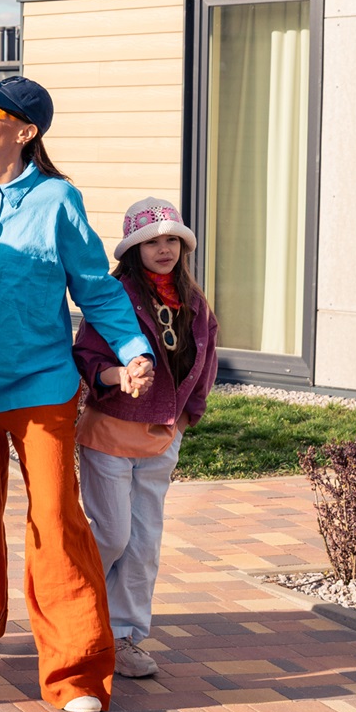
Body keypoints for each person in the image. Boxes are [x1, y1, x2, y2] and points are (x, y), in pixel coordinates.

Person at [0, 75, 154, 712]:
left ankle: (77, 670)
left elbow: (96, 287)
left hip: (40, 388)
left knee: (55, 521)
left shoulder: (58, 200)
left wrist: (134, 350)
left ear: (24, 132)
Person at [73, 199, 219, 680]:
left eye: (172, 239)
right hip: (111, 434)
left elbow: (205, 362)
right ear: (133, 249)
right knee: (112, 534)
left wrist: (186, 416)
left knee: (144, 544)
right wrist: (120, 376)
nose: (164, 248)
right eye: (152, 241)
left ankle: (125, 635)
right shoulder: (115, 296)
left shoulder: (196, 304)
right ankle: (73, 614)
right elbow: (88, 355)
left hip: (161, 438)